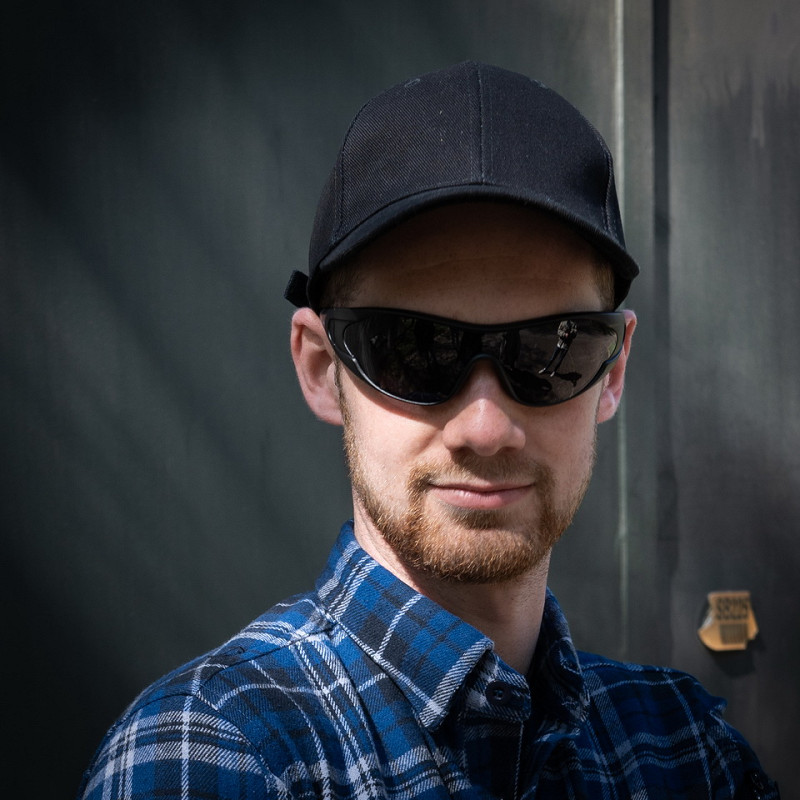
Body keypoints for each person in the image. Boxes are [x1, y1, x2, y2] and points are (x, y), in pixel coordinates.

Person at [78, 62, 779, 799]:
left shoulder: (683, 748)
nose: (486, 428)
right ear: (320, 367)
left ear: (612, 370)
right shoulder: (211, 753)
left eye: (552, 350)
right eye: (413, 350)